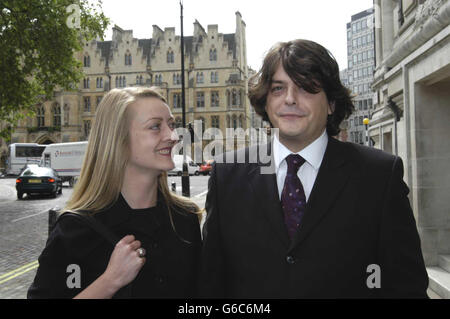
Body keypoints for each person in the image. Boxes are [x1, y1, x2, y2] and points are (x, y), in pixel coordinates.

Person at [200, 39, 428, 298]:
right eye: (277, 88)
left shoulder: (379, 175)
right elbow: (212, 281)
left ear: (331, 103)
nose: (290, 99)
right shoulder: (227, 175)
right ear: (265, 102)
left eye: (306, 88)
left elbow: (406, 285)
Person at [28, 87, 202, 298]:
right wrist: (110, 281)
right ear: (118, 140)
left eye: (171, 125)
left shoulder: (186, 217)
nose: (173, 136)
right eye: (156, 126)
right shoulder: (76, 229)